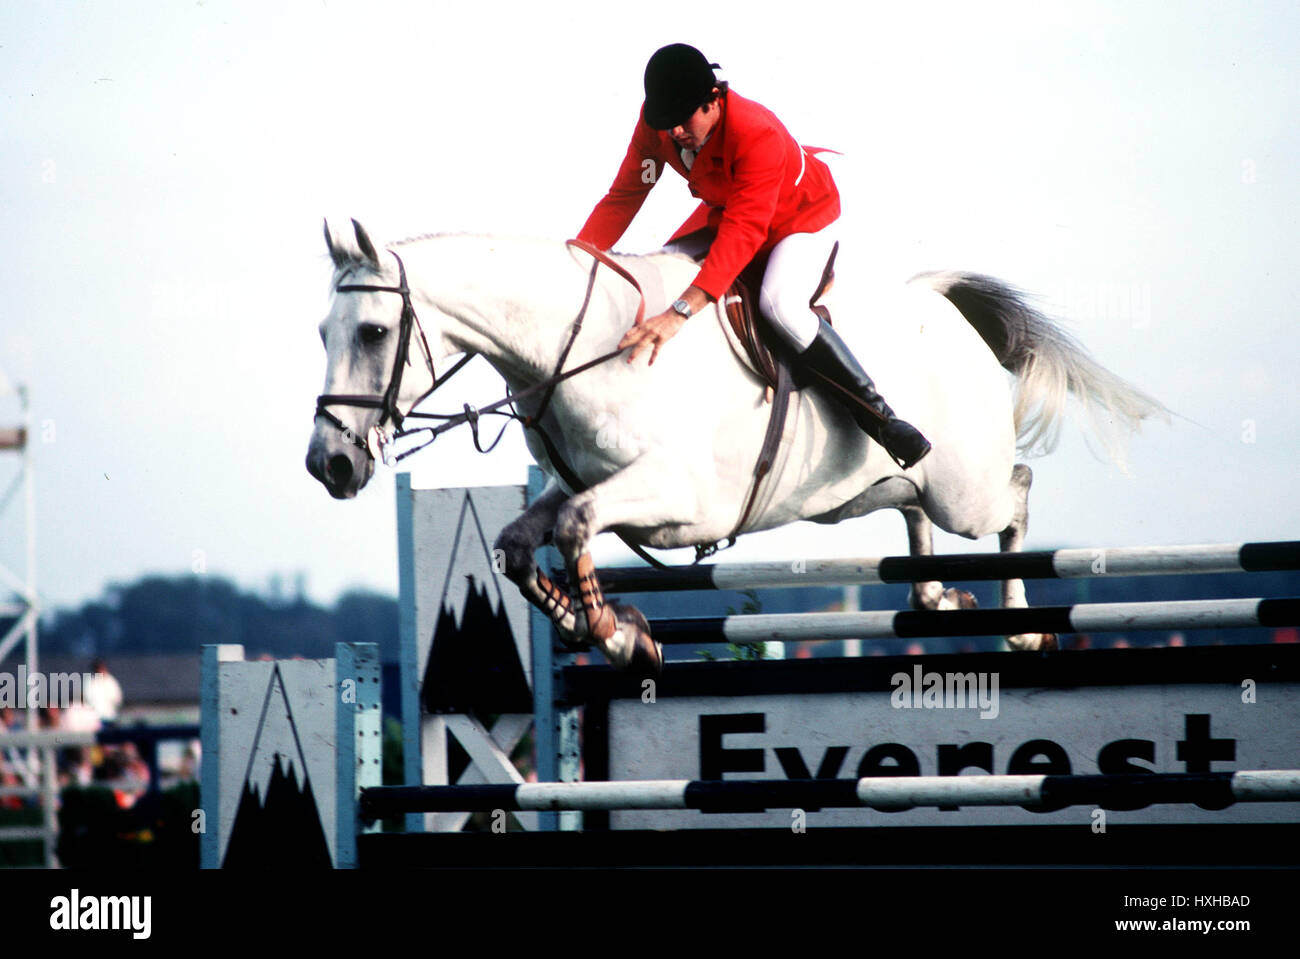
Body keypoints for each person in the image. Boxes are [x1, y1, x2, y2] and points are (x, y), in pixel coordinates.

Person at [578, 43, 931, 469]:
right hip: (732, 211)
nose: (673, 133)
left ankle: (881, 418)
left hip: (800, 219)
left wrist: (679, 312)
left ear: (714, 99)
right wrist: (579, 258)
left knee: (779, 307)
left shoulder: (755, 132)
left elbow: (745, 234)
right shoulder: (662, 127)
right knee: (662, 267)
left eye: (682, 121)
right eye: (666, 123)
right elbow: (626, 195)